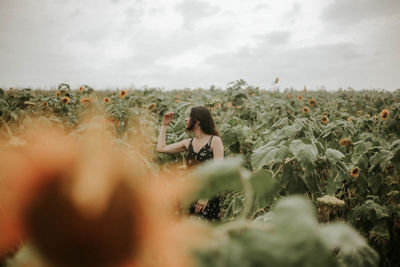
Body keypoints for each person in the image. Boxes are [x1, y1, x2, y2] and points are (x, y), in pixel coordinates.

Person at [156, 106, 224, 221]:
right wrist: (164, 125)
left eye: (189, 117)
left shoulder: (215, 141)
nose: (186, 119)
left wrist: (206, 196)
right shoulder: (188, 143)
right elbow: (161, 148)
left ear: (197, 121)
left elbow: (219, 171)